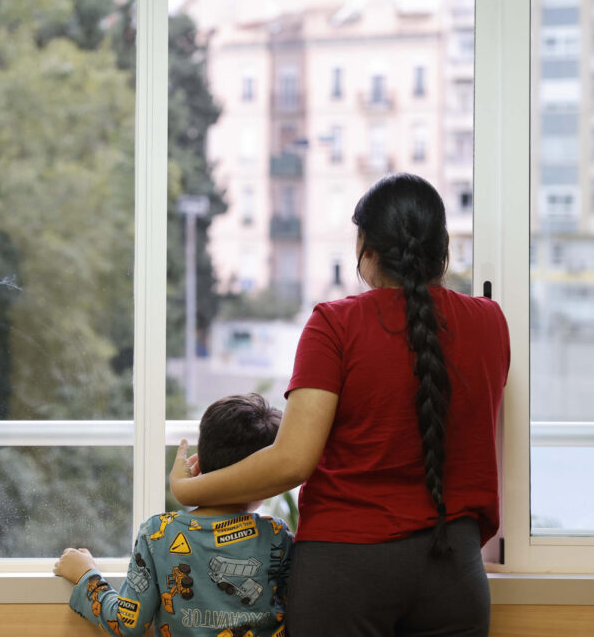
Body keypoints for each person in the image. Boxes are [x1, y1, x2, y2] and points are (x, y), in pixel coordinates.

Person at [170, 173, 509, 637]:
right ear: (443, 248)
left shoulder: (335, 325)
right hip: (453, 569)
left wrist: (192, 490)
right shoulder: (490, 324)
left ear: (366, 250)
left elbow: (292, 460)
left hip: (343, 573)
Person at [55, 392, 294, 637]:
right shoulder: (276, 535)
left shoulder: (159, 533)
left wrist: (86, 577)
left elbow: (128, 622)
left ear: (198, 462)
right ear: (267, 479)